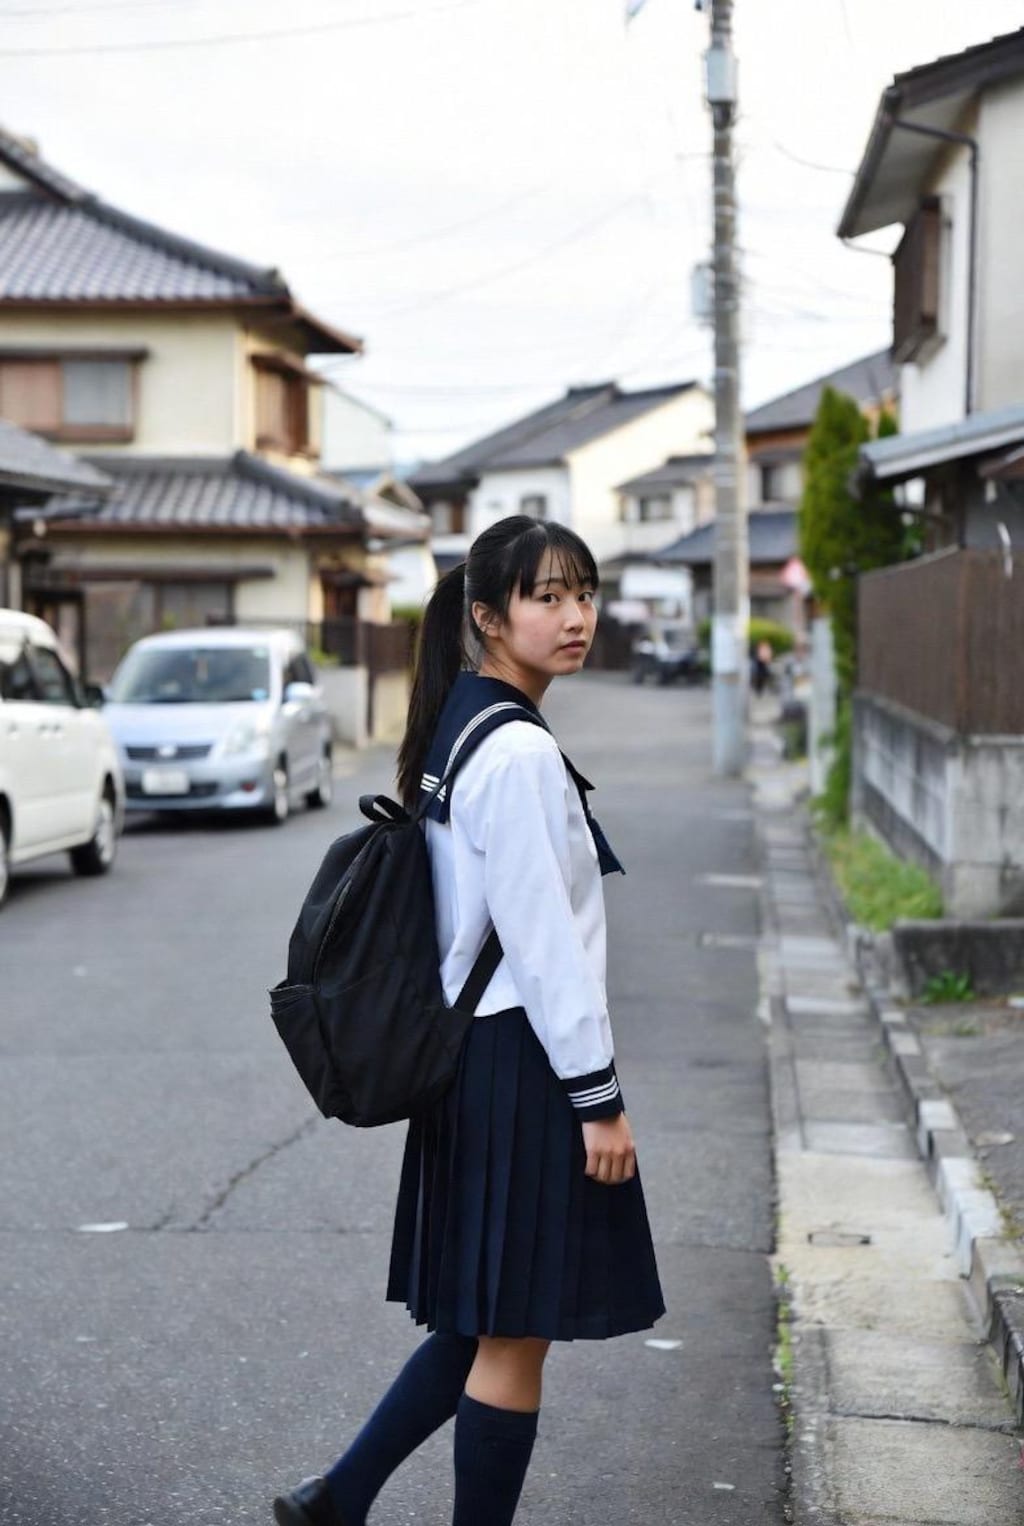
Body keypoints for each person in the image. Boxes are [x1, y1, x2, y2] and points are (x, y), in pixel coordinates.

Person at [273, 515, 664, 1526]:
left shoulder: (462, 719)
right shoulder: (516, 750)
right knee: (513, 1328)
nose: (576, 614)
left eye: (583, 590)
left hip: (473, 1059)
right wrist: (600, 1099)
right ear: (488, 616)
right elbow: (544, 947)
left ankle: (337, 1497)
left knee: (478, 1314)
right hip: (522, 1060)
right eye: (547, 596)